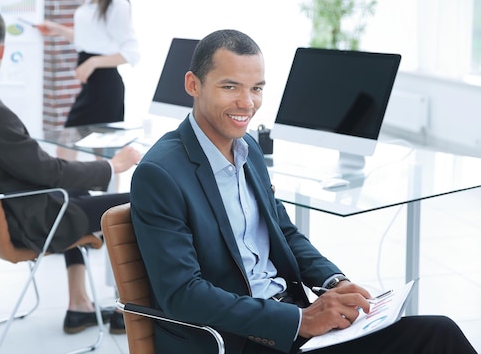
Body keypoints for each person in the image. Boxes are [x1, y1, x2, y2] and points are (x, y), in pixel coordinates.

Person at [129, 29, 477, 354]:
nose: (247, 103)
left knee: (439, 333)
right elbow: (182, 293)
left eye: (257, 88)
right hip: (239, 337)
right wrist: (300, 320)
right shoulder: (160, 174)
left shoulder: (247, 149)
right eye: (231, 87)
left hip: (292, 317)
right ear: (193, 84)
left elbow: (284, 232)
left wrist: (334, 282)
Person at [0, 6, 141, 335]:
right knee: (138, 202)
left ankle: (79, 304)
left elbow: (40, 171)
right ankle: (132, 310)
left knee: (78, 193)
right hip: (27, 223)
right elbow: (48, 172)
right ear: (1, 50)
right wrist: (111, 166)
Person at [37, 0, 139, 128]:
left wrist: (92, 63)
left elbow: (131, 53)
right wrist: (57, 29)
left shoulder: (117, 5)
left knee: (98, 148)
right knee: (71, 145)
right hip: (91, 86)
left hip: (106, 87)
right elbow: (90, 41)